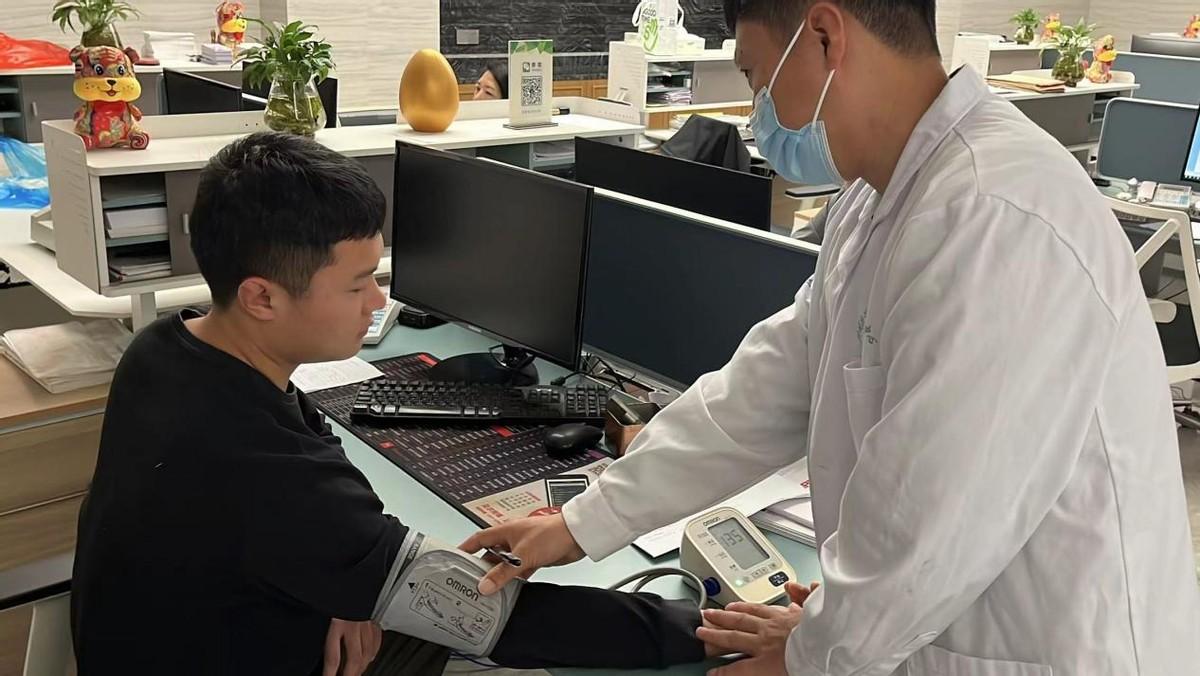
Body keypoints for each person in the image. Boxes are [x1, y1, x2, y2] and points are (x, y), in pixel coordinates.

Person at [461, 1, 1200, 675]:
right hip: (927, 633)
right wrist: (585, 519)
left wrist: (811, 654)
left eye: (755, 77)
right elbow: (760, 395)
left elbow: (928, 527)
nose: (758, 113)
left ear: (823, 36)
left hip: (1049, 648)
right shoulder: (875, 201)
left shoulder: (997, 214)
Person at [70, 132, 710, 675]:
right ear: (262, 297)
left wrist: (351, 581)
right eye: (358, 285)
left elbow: (307, 431)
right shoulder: (264, 473)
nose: (379, 302)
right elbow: (491, 611)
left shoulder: (166, 349)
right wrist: (704, 631)